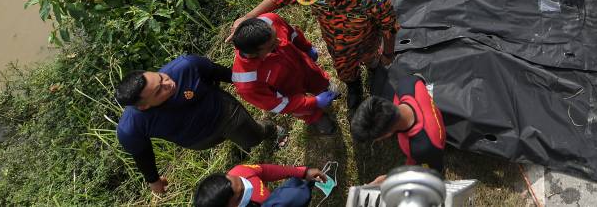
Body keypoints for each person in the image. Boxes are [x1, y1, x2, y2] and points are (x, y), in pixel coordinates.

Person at [230, 0, 400, 113]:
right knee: (345, 70)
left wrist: (388, 54)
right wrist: (248, 17)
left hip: (367, 40)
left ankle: (373, 69)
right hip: (337, 45)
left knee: (371, 60)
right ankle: (354, 86)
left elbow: (389, 28)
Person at [115, 55, 278, 195]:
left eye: (160, 77)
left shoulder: (187, 66)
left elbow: (224, 74)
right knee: (241, 137)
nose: (168, 83)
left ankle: (270, 129)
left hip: (223, 112)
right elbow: (142, 155)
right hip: (197, 139)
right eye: (159, 91)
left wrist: (264, 90)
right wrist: (153, 180)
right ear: (143, 106)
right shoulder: (131, 128)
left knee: (252, 138)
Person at [231, 14, 337, 134]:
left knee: (317, 79)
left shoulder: (270, 20)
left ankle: (323, 89)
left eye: (276, 36)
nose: (279, 41)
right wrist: (314, 102)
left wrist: (306, 47)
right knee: (303, 109)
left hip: (303, 66)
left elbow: (292, 34)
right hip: (289, 92)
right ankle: (316, 117)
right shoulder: (247, 83)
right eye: (271, 46)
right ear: (252, 54)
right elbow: (279, 104)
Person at [351, 72, 447, 175]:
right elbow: (419, 77)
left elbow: (434, 170)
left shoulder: (420, 148)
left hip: (435, 144)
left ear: (387, 134)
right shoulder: (406, 84)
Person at [193, 164, 327, 207]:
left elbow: (267, 170)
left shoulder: (240, 171)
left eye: (241, 181)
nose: (248, 186)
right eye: (241, 195)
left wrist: (302, 172)